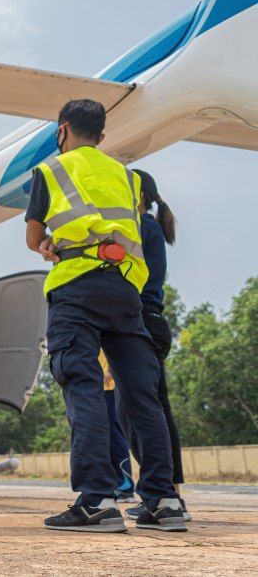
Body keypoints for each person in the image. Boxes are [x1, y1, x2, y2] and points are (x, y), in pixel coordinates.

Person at [25, 99, 184, 532]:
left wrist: (48, 247)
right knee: (140, 394)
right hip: (126, 290)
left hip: (76, 287)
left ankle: (96, 501)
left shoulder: (52, 171)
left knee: (83, 386)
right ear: (103, 135)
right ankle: (163, 500)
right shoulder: (128, 177)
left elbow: (34, 237)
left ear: (62, 131)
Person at [123, 169, 190, 522]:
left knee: (140, 411)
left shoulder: (140, 226)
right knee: (153, 410)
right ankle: (169, 493)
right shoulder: (150, 227)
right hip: (153, 322)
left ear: (137, 196)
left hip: (143, 322)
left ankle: (163, 493)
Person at [99, 352, 135, 502]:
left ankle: (125, 486)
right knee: (104, 439)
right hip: (95, 388)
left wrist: (110, 371)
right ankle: (113, 483)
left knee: (115, 435)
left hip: (109, 387)